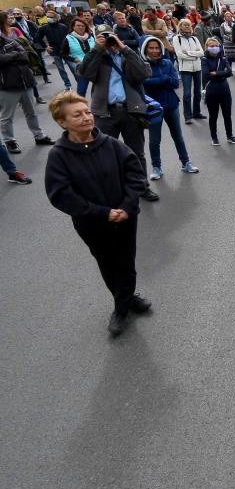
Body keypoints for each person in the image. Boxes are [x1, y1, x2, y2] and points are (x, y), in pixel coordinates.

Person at [44, 91, 150, 335]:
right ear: (62, 122)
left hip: (125, 218)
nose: (86, 118)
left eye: (88, 112)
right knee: (108, 263)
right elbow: (61, 195)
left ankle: (123, 303)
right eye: (77, 115)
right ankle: (124, 303)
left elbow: (135, 175)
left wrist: (126, 206)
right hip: (92, 224)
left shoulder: (112, 145)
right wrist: (103, 213)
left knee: (126, 261)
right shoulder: (58, 156)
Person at [77, 24, 158, 201]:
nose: (108, 40)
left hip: (131, 111)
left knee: (137, 153)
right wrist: (97, 50)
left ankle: (141, 186)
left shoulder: (126, 55)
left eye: (110, 36)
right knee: (105, 154)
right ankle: (113, 190)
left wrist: (124, 48)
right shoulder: (97, 57)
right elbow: (85, 73)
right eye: (102, 36)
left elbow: (143, 73)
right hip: (105, 113)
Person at [141, 37, 198, 179]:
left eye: (156, 47)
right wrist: (163, 79)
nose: (154, 50)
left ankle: (186, 163)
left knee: (178, 137)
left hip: (171, 105)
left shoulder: (167, 62)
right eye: (151, 48)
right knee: (155, 140)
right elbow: (144, 83)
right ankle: (156, 167)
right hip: (153, 109)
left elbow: (175, 83)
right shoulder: (142, 65)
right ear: (145, 49)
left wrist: (158, 81)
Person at [1, 13, 55, 154]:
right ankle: (10, 141)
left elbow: (25, 56)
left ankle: (39, 136)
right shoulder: (11, 43)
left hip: (25, 81)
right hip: (7, 85)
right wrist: (14, 55)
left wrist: (10, 57)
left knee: (31, 112)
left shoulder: (12, 41)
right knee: (7, 116)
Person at [201, 36, 235, 147]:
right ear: (207, 47)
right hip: (212, 91)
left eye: (216, 46)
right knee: (213, 116)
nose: (214, 48)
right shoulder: (204, 60)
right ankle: (214, 137)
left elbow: (230, 72)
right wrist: (222, 73)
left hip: (225, 90)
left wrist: (216, 73)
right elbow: (207, 74)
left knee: (227, 115)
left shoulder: (223, 58)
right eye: (211, 46)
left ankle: (230, 135)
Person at [172, 19, 205, 125]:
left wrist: (189, 53)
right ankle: (187, 116)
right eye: (184, 25)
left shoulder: (194, 38)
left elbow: (201, 52)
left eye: (188, 25)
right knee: (187, 94)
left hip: (197, 68)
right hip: (185, 69)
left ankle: (197, 112)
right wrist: (194, 55)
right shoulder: (177, 39)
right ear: (180, 26)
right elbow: (180, 55)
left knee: (197, 92)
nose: (187, 26)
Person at [60, 17, 95, 96]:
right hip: (81, 67)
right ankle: (80, 107)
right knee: (81, 91)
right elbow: (63, 53)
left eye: (83, 26)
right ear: (73, 27)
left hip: (94, 65)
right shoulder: (68, 38)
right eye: (78, 25)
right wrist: (74, 59)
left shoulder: (90, 36)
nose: (81, 27)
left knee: (99, 88)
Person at [35, 12, 71, 90]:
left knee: (73, 67)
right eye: (47, 16)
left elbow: (70, 37)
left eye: (51, 17)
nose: (48, 18)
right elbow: (37, 38)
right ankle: (68, 85)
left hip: (66, 50)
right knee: (61, 69)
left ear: (56, 18)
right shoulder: (44, 28)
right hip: (55, 51)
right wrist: (46, 47)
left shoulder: (63, 26)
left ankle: (79, 81)